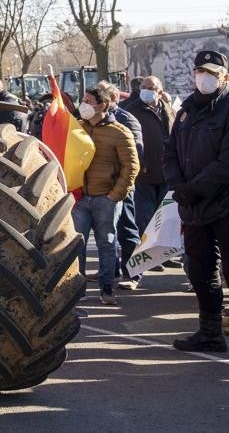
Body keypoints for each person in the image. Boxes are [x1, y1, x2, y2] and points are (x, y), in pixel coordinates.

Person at [166, 50, 229, 370]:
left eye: (211, 72)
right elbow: (169, 155)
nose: (204, 77)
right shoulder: (185, 113)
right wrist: (178, 186)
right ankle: (210, 332)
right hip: (195, 208)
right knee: (199, 271)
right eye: (200, 71)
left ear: (224, 77)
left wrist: (190, 189)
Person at [74, 84, 139, 305]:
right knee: (76, 246)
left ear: (102, 105)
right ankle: (76, 289)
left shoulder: (120, 133)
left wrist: (115, 195)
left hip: (106, 199)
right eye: (82, 100)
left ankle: (106, 289)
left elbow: (131, 167)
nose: (83, 105)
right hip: (80, 199)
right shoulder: (76, 128)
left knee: (107, 245)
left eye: (88, 101)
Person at [121, 76, 173, 281]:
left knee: (164, 219)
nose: (146, 91)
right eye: (144, 87)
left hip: (166, 173)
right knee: (145, 219)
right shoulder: (131, 110)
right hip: (143, 175)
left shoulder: (168, 109)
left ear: (160, 92)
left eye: (151, 88)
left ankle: (163, 255)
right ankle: (148, 258)